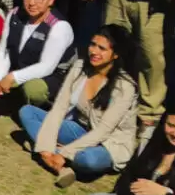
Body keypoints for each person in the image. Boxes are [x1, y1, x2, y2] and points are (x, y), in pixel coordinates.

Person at [20, 24, 144, 185]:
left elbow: (103, 131)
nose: (94, 51)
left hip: (109, 144)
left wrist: (64, 152)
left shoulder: (125, 86)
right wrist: (47, 147)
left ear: (115, 55)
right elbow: (59, 108)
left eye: (102, 48)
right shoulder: (79, 67)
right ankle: (55, 161)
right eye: (93, 45)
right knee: (27, 112)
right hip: (82, 132)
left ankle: (47, 149)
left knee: (88, 160)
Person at [0, 0, 75, 119]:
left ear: (51, 0)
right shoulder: (14, 15)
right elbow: (4, 50)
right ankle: (15, 104)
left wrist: (13, 77)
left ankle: (42, 112)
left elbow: (47, 67)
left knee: (34, 89)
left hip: (51, 77)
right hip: (19, 69)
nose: (31, 3)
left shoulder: (59, 26)